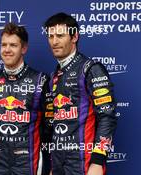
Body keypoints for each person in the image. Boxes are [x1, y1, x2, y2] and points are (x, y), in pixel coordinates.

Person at [43, 13, 117, 175]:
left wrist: (98, 161)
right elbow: (53, 125)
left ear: (74, 36)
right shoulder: (54, 77)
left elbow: (107, 117)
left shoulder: (90, 69)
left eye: (60, 35)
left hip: (85, 163)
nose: (54, 41)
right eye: (50, 36)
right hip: (59, 164)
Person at [0, 23, 48, 175]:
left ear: (23, 48)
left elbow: (50, 127)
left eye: (13, 45)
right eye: (4, 45)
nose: (7, 50)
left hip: (27, 161)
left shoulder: (40, 80)